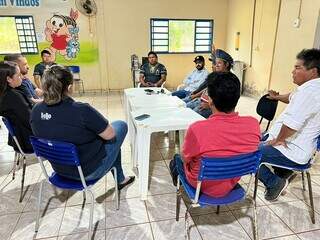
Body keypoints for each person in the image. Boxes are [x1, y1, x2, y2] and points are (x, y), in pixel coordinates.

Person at [30, 65, 135, 189]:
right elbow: (110, 134)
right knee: (119, 126)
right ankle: (120, 180)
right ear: (69, 87)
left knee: (108, 139)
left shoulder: (36, 110)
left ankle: (120, 180)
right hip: (87, 172)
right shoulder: (81, 110)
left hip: (59, 169)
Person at [170, 72, 260, 197]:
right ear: (237, 97)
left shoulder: (197, 129)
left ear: (210, 100)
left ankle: (182, 188)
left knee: (176, 159)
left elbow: (186, 159)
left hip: (200, 184)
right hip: (230, 182)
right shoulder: (253, 124)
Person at [258, 48, 320, 201]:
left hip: (291, 150)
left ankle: (274, 183)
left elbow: (292, 124)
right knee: (249, 140)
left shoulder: (310, 93)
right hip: (295, 146)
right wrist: (276, 97)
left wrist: (277, 140)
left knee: (245, 152)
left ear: (313, 71)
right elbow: (291, 97)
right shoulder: (309, 88)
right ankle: (282, 172)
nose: (293, 71)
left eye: (298, 68)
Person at [186, 49, 234, 118]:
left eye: (219, 63)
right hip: (200, 100)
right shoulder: (216, 76)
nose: (215, 66)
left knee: (189, 117)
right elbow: (207, 88)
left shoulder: (229, 80)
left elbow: (228, 101)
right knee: (183, 107)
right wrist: (196, 95)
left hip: (211, 107)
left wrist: (210, 105)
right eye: (214, 63)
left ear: (226, 65)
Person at [0, 61, 33, 152]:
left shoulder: (4, 93)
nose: (22, 77)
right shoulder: (13, 96)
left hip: (18, 139)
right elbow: (30, 121)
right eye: (18, 75)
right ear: (9, 79)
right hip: (29, 141)